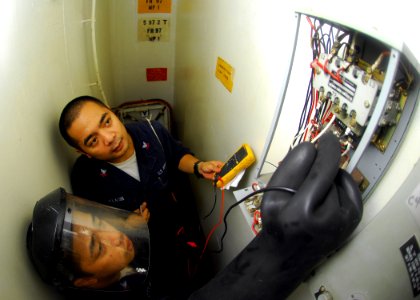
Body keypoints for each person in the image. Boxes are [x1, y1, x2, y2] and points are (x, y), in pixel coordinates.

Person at [58, 95, 224, 299]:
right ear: (83, 151)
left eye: (107, 121)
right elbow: (94, 227)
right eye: (93, 140)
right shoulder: (85, 176)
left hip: (173, 228)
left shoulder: (152, 131)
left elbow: (177, 155)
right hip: (136, 252)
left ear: (113, 112)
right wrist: (125, 225)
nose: (109, 138)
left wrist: (198, 166)